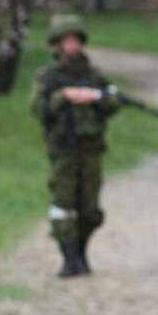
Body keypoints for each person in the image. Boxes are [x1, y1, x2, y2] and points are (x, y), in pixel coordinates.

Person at [30, 15, 121, 278]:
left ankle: (81, 252)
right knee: (62, 204)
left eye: (75, 41)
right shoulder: (47, 77)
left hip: (91, 148)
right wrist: (64, 96)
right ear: (58, 44)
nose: (72, 46)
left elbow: (114, 102)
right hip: (63, 150)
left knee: (90, 209)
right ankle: (68, 257)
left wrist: (95, 97)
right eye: (66, 41)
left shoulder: (94, 76)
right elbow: (38, 108)